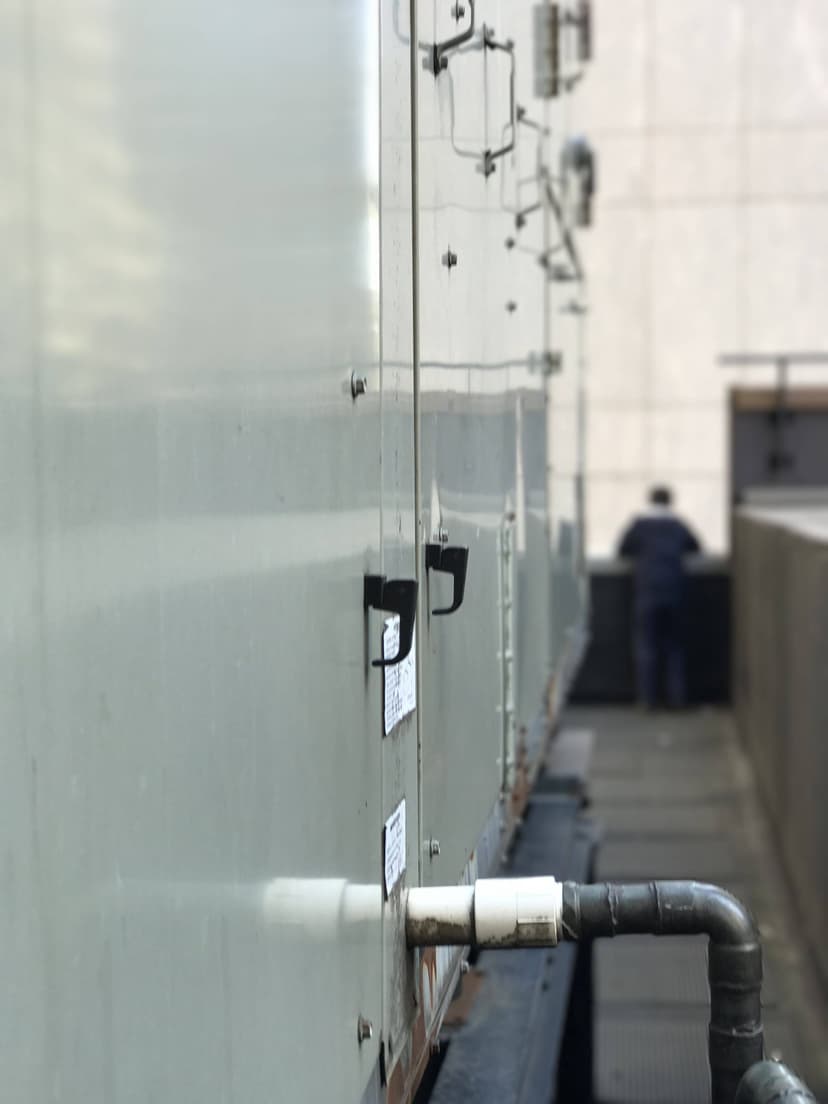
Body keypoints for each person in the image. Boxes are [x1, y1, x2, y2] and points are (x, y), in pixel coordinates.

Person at [618, 486, 700, 709]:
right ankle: (678, 697)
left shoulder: (639, 525)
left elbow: (622, 549)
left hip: (647, 591)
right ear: (670, 501)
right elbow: (695, 547)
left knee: (647, 645)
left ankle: (647, 699)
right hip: (675, 590)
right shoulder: (677, 525)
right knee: (676, 646)